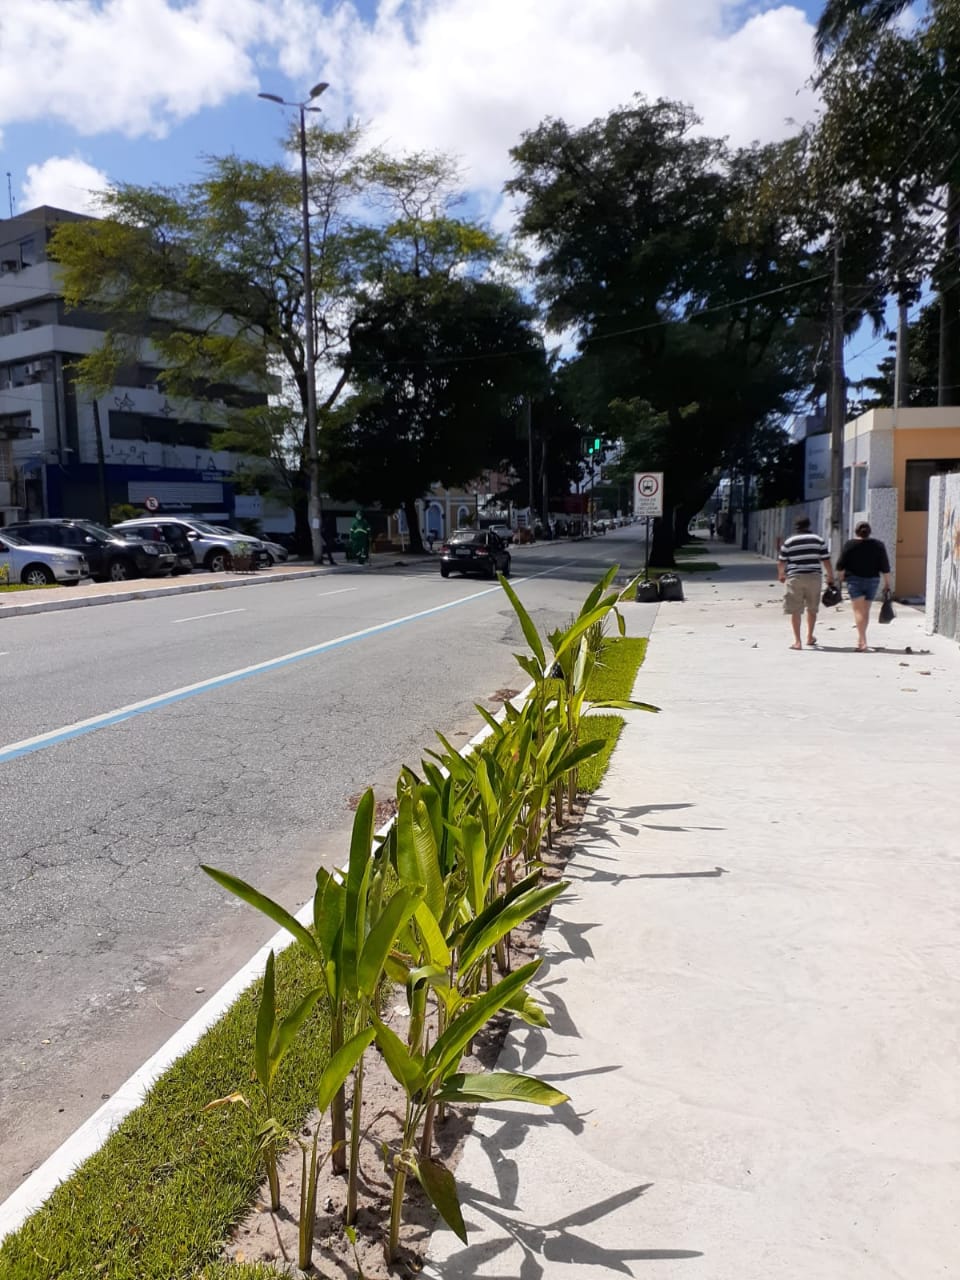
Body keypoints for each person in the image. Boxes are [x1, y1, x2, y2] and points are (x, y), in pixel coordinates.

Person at [777, 515, 836, 650]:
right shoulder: (818, 540)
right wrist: (830, 576)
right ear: (809, 525)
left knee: (795, 610)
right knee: (812, 608)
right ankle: (809, 636)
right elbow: (826, 560)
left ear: (796, 527)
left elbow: (781, 560)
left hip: (794, 577)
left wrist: (781, 574)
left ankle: (798, 642)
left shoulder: (789, 541)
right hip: (814, 577)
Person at [836, 521, 892, 652]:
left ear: (856, 531)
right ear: (869, 532)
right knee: (865, 611)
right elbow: (885, 567)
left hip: (854, 580)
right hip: (873, 580)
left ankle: (862, 641)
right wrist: (887, 583)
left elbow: (840, 565)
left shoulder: (850, 545)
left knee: (858, 611)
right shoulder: (878, 545)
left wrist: (840, 578)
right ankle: (861, 639)